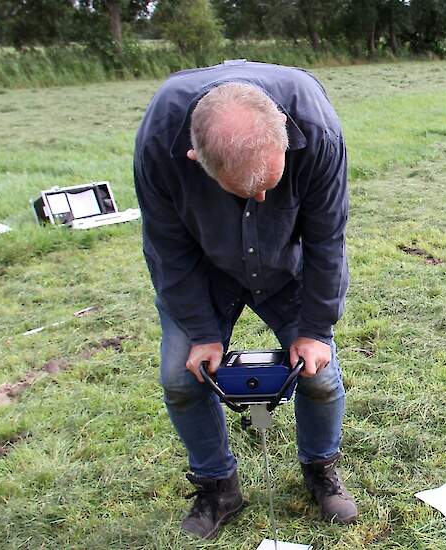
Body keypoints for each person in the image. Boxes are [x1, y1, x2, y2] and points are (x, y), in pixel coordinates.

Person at [133, 60, 356, 540]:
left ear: (284, 137)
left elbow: (327, 238)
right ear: (196, 159)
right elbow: (168, 247)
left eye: (269, 185)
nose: (259, 197)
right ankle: (218, 486)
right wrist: (200, 333)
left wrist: (315, 330)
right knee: (180, 376)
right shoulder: (158, 144)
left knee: (320, 376)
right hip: (203, 267)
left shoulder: (316, 130)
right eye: (246, 190)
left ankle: (321, 468)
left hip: (285, 262)